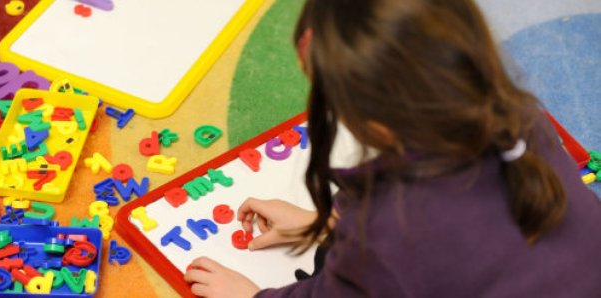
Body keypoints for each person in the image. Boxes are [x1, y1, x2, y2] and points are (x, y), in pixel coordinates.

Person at [184, 0, 601, 297]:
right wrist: (323, 222)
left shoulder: (390, 231)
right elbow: (467, 243)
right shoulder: (518, 115)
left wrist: (250, 296)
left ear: (376, 124)